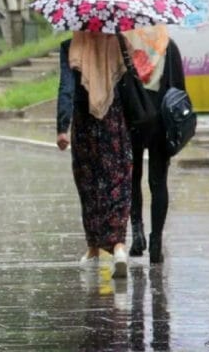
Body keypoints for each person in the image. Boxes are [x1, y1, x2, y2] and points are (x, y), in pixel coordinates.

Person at [56, 31, 132, 279]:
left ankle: (93, 248)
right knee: (117, 182)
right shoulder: (119, 43)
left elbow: (66, 88)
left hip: (84, 125)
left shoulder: (71, 46)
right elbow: (131, 83)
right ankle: (119, 247)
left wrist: (62, 127)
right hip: (114, 123)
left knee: (88, 185)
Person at [124, 26, 186, 264]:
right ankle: (156, 241)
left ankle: (137, 233)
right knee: (158, 181)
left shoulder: (125, 46)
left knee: (133, 179)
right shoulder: (169, 46)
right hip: (161, 121)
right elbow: (179, 90)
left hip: (132, 120)